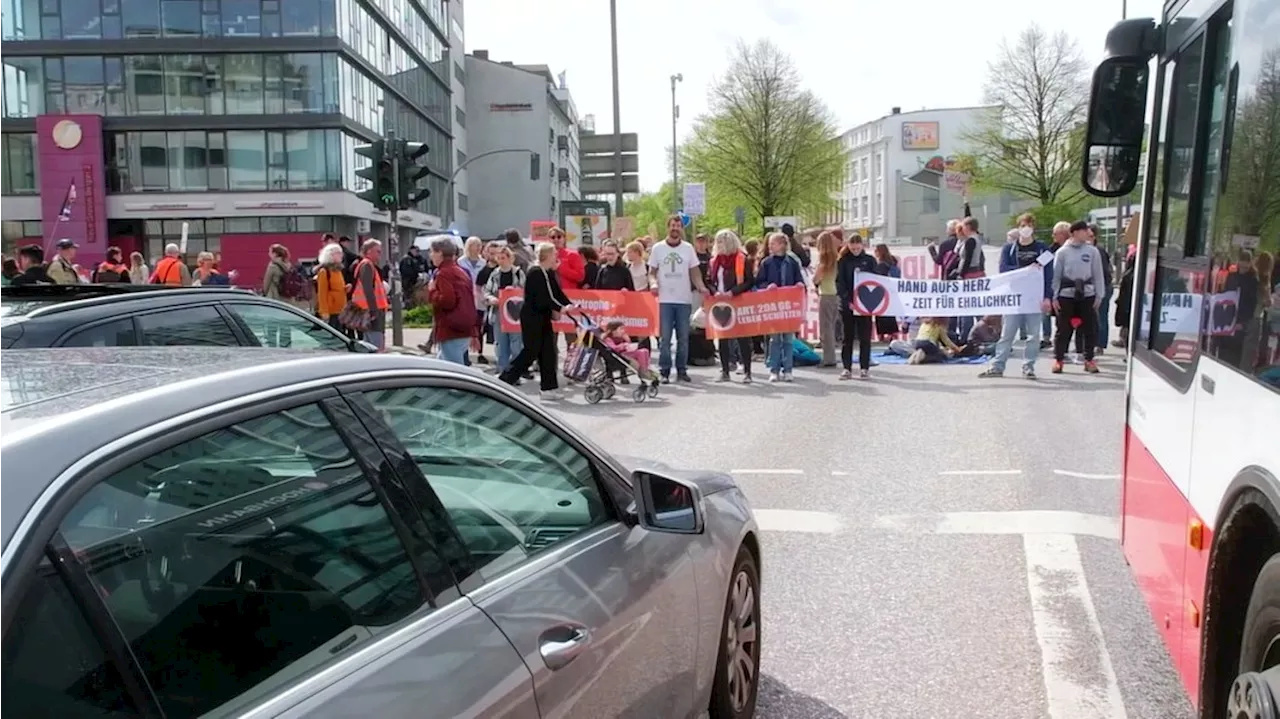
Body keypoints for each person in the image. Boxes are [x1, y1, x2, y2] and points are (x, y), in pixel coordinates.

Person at [499, 242, 577, 401]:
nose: (556, 256)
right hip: (532, 318)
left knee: (548, 352)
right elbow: (545, 297)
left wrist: (569, 304)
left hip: (543, 316)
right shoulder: (535, 272)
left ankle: (549, 388)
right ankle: (505, 379)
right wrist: (561, 308)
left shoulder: (548, 272)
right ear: (547, 255)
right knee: (531, 351)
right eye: (554, 253)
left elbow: (557, 292)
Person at [979, 220, 1053, 379]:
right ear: (1018, 228)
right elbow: (1004, 270)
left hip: (1034, 298)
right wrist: (1026, 270)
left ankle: (1028, 366)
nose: (1025, 229)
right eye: (1022, 226)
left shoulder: (1042, 249)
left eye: (1029, 226)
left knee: (1033, 335)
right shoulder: (1009, 249)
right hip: (1014, 298)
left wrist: (1048, 296)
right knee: (1007, 334)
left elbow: (1048, 274)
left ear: (1033, 228)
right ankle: (998, 366)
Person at [648, 214, 709, 383]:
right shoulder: (658, 248)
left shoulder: (688, 248)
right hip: (665, 299)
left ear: (681, 228)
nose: (675, 228)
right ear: (668, 227)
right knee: (665, 338)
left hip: (683, 299)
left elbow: (694, 271)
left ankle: (682, 370)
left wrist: (701, 286)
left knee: (684, 337)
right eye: (672, 225)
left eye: (678, 226)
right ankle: (665, 370)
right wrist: (653, 284)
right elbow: (652, 272)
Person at [1051, 220, 1105, 374]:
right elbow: (1056, 276)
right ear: (1074, 232)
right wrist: (1054, 296)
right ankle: (1059, 360)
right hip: (1066, 295)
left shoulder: (1092, 251)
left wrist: (1099, 295)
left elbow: (1098, 275)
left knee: (1090, 329)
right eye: (1084, 231)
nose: (1087, 234)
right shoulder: (1062, 252)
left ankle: (1089, 360)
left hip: (1087, 294)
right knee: (1063, 329)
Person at [756, 232, 805, 382]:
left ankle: (788, 369)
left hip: (789, 306)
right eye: (770, 243)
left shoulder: (792, 262)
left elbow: (799, 279)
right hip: (773, 305)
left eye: (774, 243)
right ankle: (774, 369)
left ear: (783, 244)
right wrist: (767, 286)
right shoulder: (766, 263)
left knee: (788, 340)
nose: (770, 246)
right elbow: (759, 282)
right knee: (775, 340)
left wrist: (799, 284)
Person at [708, 229, 756, 383]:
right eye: (718, 242)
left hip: (738, 300)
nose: (719, 245)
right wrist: (715, 292)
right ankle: (725, 370)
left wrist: (733, 292)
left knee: (742, 338)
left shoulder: (742, 259)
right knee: (723, 338)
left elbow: (749, 281)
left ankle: (747, 371)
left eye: (722, 242)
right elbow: (709, 280)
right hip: (720, 302)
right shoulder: (714, 261)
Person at [427, 238, 477, 365]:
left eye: (432, 251)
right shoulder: (460, 271)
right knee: (440, 368)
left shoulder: (443, 273)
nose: (430, 255)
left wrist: (432, 291)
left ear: (440, 253)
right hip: (463, 327)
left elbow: (448, 301)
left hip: (451, 328)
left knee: (454, 370)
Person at [835, 233, 877, 379]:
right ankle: (847, 368)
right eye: (852, 245)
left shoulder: (870, 260)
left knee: (865, 338)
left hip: (865, 306)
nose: (855, 248)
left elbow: (876, 281)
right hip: (848, 306)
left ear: (862, 245)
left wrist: (867, 303)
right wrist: (848, 302)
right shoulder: (843, 261)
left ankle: (864, 368)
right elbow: (840, 283)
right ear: (848, 245)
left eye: (857, 245)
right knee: (848, 338)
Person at [483, 245, 526, 374]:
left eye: (504, 258)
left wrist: (514, 291)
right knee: (500, 343)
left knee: (516, 343)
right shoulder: (495, 274)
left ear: (510, 258)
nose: (501, 260)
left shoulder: (518, 273)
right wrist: (491, 299)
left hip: (515, 314)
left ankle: (515, 371)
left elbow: (525, 291)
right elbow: (487, 292)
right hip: (498, 312)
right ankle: (502, 369)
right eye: (499, 258)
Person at [351, 239, 389, 350]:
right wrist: (373, 311)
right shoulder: (366, 265)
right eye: (378, 251)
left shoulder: (368, 265)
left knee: (370, 342)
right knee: (376, 343)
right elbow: (368, 290)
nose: (380, 255)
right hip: (370, 311)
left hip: (369, 309)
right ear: (368, 252)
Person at [813, 231, 841, 367]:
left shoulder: (824, 260)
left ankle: (829, 359)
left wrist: (814, 280)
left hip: (825, 294)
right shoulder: (835, 257)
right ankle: (831, 357)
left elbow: (817, 278)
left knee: (826, 328)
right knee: (831, 327)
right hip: (834, 294)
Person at [887, 318, 965, 364]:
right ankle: (923, 357)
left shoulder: (924, 324)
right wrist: (957, 349)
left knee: (896, 344)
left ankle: (916, 354)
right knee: (940, 357)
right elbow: (947, 341)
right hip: (929, 344)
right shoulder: (939, 326)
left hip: (917, 342)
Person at [315, 243, 349, 331]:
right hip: (331, 311)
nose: (341, 255)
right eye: (338, 253)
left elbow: (337, 288)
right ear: (330, 255)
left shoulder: (338, 271)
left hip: (341, 310)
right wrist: (324, 312)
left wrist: (345, 288)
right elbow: (322, 293)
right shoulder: (324, 272)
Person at [872, 243, 901, 341]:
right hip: (892, 292)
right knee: (890, 314)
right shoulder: (893, 262)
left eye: (876, 250)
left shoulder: (881, 265)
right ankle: (893, 333)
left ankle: (882, 335)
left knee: (880, 314)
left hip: (882, 293)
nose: (874, 253)